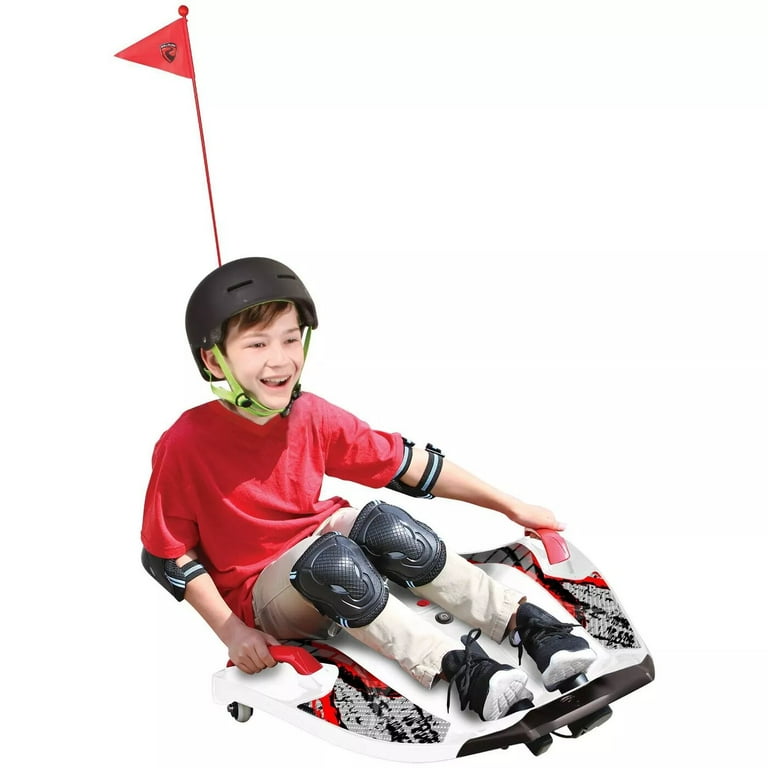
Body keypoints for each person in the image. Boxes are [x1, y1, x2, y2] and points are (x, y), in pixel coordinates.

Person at [141, 257, 596, 722]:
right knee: (331, 560)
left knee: (388, 528)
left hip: (322, 546)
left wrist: (511, 506)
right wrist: (233, 633)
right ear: (213, 358)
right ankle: (462, 667)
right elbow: (167, 555)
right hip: (263, 593)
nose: (279, 360)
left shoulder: (309, 413)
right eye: (257, 344)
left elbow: (408, 465)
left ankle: (529, 625)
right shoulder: (185, 443)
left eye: (290, 339)